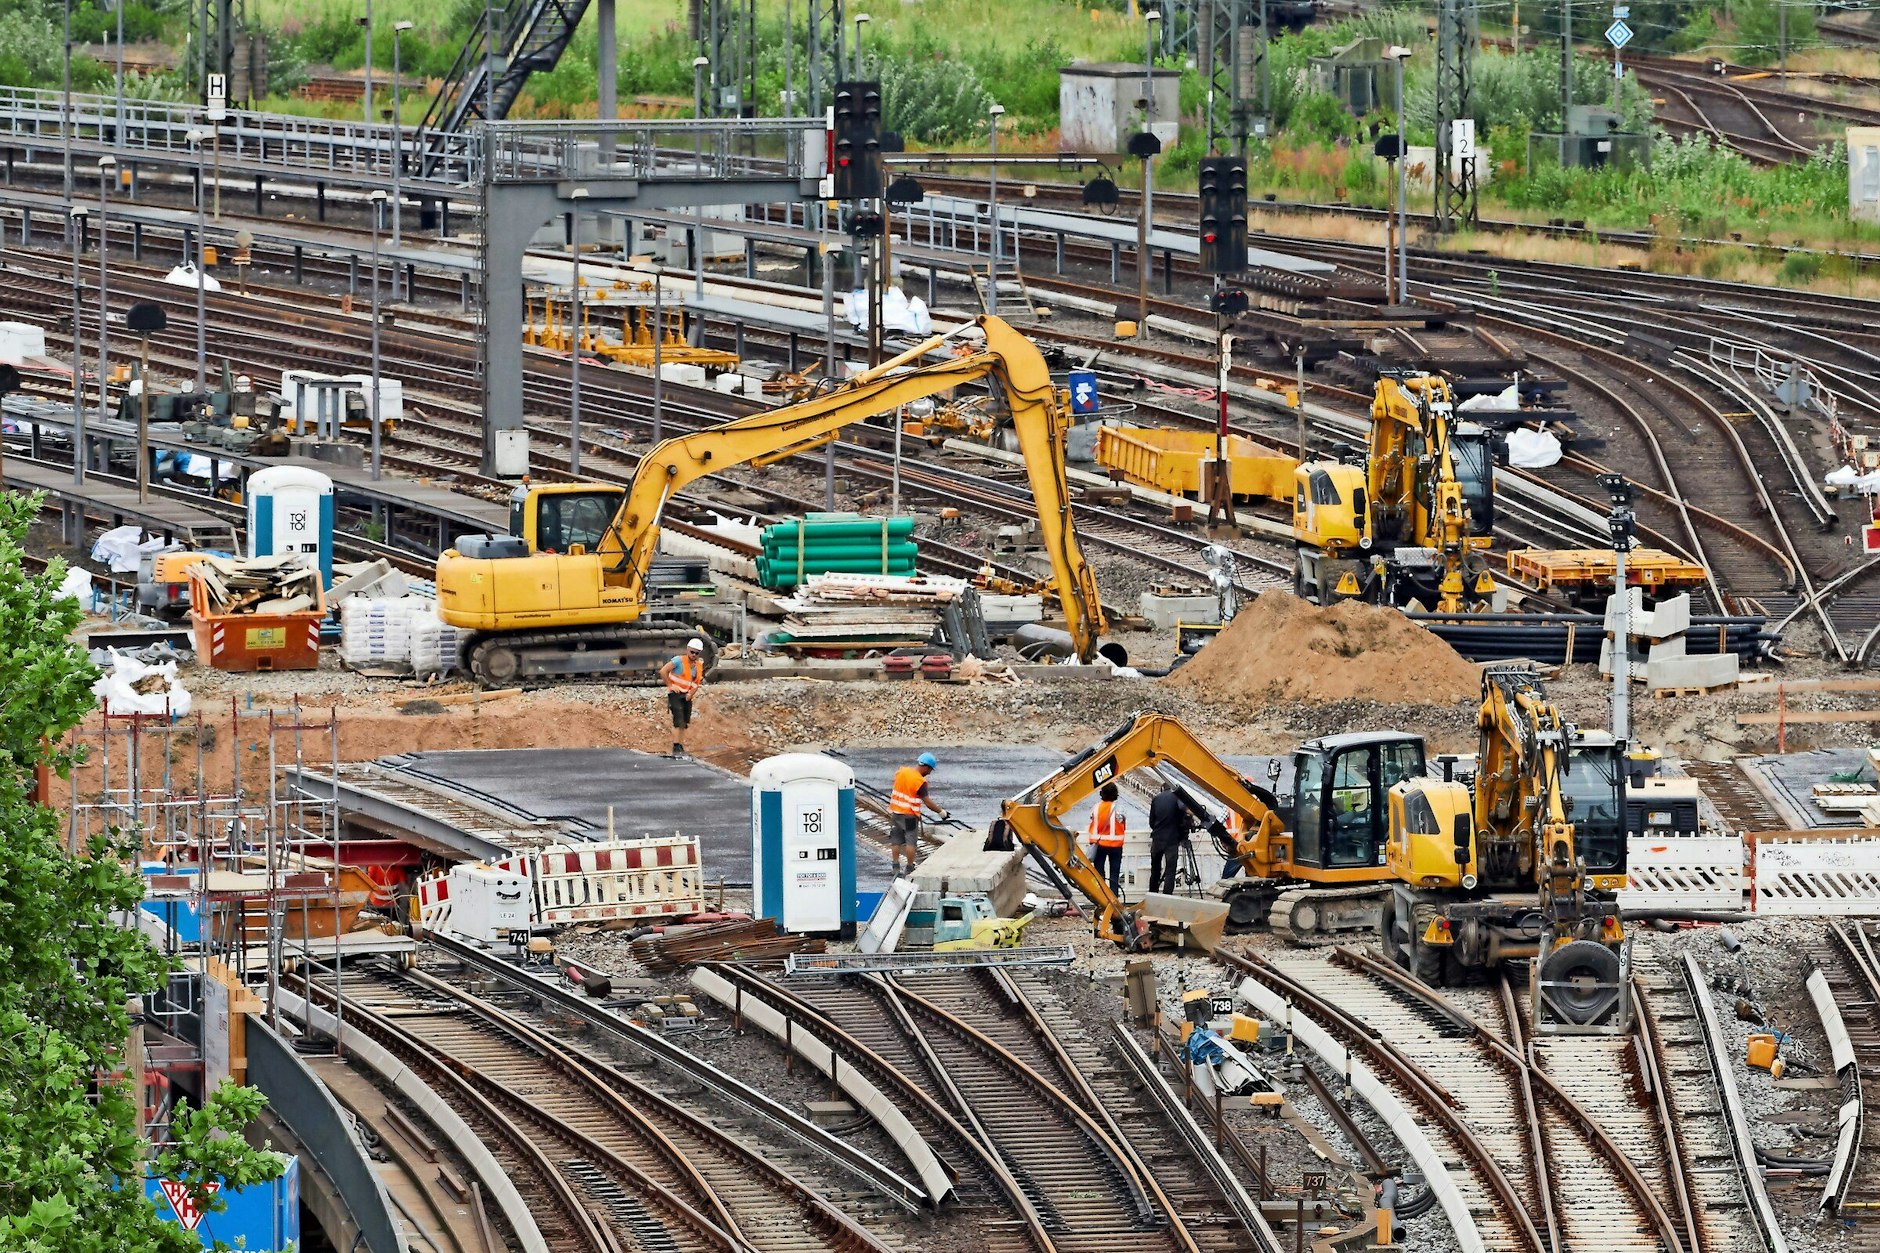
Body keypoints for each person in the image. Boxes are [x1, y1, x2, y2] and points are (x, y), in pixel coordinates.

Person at [888, 752, 949, 874]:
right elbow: (928, 802)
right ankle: (909, 867)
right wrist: (942, 812)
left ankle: (895, 866)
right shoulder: (919, 782)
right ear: (926, 767)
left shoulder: (902, 772)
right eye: (930, 770)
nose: (930, 773)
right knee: (910, 842)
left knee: (895, 840)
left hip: (896, 812)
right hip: (909, 815)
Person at [1148, 781, 1204, 896]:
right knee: (1170, 870)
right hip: (1171, 840)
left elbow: (1151, 822)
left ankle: (1152, 894)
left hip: (1157, 839)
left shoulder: (1156, 799)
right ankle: (1167, 896)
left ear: (1162, 789)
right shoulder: (1177, 798)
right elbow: (1188, 813)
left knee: (1155, 870)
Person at [657, 638, 707, 756]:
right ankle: (675, 746)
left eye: (696, 653)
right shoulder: (678, 661)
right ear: (687, 650)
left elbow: (696, 682)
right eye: (692, 652)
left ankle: (680, 745)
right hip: (676, 694)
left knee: (684, 722)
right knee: (678, 720)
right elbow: (663, 671)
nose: (694, 655)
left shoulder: (698, 665)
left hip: (686, 695)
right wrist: (670, 685)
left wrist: (691, 693)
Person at [1085, 781, 1127, 897]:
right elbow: (1123, 824)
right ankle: (1113, 898)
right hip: (1116, 846)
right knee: (1114, 874)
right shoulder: (1119, 808)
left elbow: (1093, 822)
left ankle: (1102, 898)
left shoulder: (1096, 807)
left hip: (1099, 845)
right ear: (1115, 794)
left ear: (1101, 794)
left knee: (1099, 874)